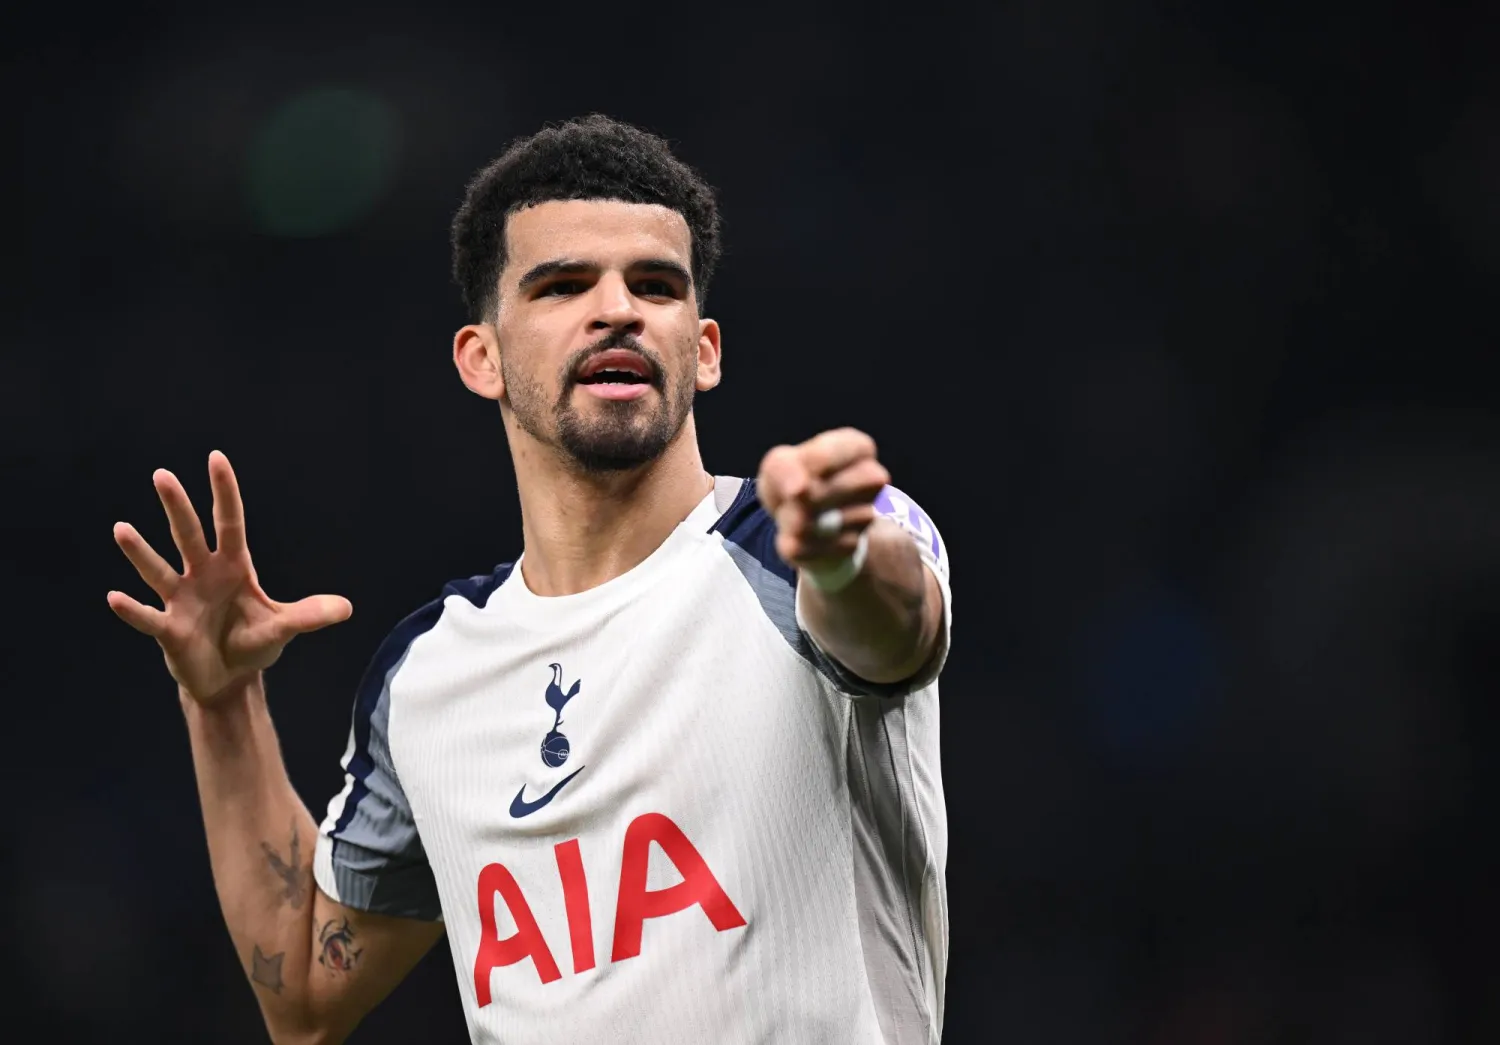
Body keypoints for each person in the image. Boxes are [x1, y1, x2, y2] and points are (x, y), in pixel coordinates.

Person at [107, 114, 953, 1045]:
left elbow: (893, 628)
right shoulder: (431, 675)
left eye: (655, 285)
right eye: (563, 285)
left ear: (704, 348)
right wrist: (222, 703)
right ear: (484, 358)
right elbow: (305, 993)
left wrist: (838, 556)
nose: (618, 309)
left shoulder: (804, 543)